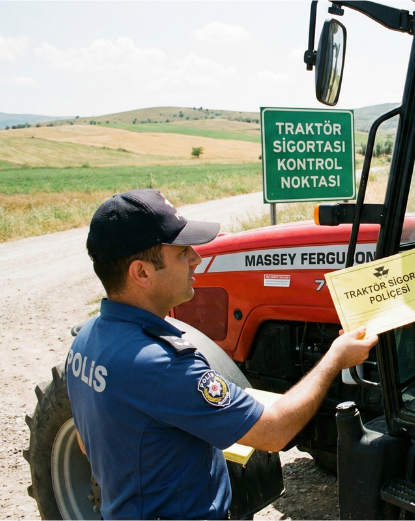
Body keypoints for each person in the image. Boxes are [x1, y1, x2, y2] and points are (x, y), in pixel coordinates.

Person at [66, 188, 378, 519]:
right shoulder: (164, 364)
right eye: (182, 252)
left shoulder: (86, 340)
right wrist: (335, 358)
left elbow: (88, 444)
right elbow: (274, 432)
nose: (196, 259)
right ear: (141, 272)